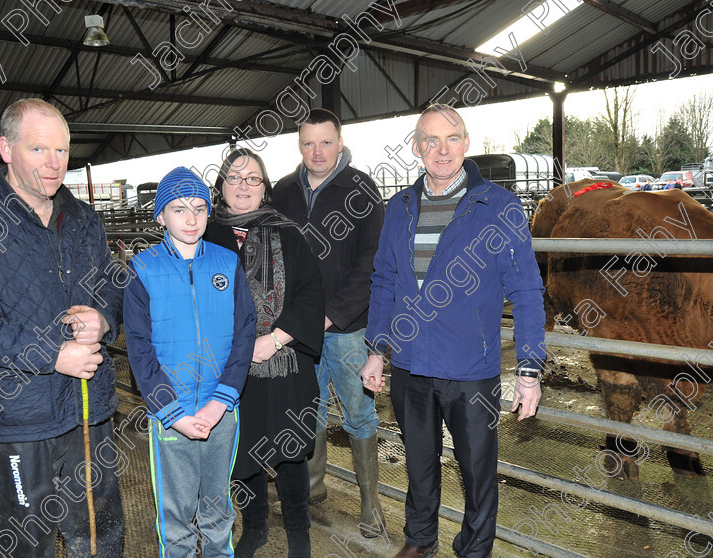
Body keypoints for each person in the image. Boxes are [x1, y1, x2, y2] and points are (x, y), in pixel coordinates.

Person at [0, 98, 125, 557]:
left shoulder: (83, 219)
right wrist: (52, 354)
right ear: (5, 149)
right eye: (39, 150)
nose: (54, 164)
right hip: (14, 413)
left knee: (98, 531)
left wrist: (103, 317)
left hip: (87, 406)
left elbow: (114, 286)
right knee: (28, 541)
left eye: (61, 150)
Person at [361, 104, 547, 558]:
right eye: (431, 140)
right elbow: (384, 279)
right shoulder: (400, 206)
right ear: (416, 147)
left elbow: (525, 288)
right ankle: (420, 540)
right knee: (419, 464)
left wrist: (529, 369)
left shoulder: (498, 206)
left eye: (451, 139)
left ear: (466, 143)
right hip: (410, 363)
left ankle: (474, 550)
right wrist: (375, 349)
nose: (441, 150)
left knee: (477, 469)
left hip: (471, 367)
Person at [124, 166, 256, 557]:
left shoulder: (227, 263)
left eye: (199, 208)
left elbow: (244, 331)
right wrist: (171, 411)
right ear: (160, 215)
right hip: (172, 413)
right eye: (179, 209)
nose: (192, 218)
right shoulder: (143, 269)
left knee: (217, 508)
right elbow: (139, 348)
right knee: (176, 513)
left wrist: (222, 400)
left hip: (221, 409)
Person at [271, 108, 386, 537]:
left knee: (359, 413)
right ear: (298, 145)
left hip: (349, 328)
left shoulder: (362, 188)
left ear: (339, 143)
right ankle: (314, 487)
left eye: (325, 142)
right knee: (309, 410)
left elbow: (371, 262)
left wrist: (331, 313)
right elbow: (276, 258)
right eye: (308, 143)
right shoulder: (282, 192)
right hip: (299, 328)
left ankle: (371, 504)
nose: (317, 151)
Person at [205, 149, 324, 558]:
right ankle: (254, 528)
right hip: (228, 367)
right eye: (235, 178)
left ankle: (298, 532)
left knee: (291, 451)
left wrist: (272, 339)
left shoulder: (288, 233)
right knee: (241, 450)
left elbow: (310, 296)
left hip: (284, 359)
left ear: (265, 189)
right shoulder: (204, 235)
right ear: (221, 186)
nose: (243, 186)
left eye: (253, 179)